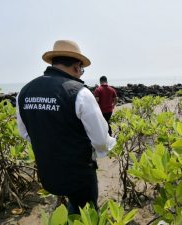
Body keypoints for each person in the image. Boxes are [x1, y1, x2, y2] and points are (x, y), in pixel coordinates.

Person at [16, 40, 115, 214]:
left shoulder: (24, 91)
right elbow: (100, 140)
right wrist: (110, 143)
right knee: (86, 212)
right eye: (81, 70)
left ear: (54, 62)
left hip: (48, 172)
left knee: (72, 205)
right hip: (79, 174)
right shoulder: (80, 92)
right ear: (77, 66)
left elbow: (25, 133)